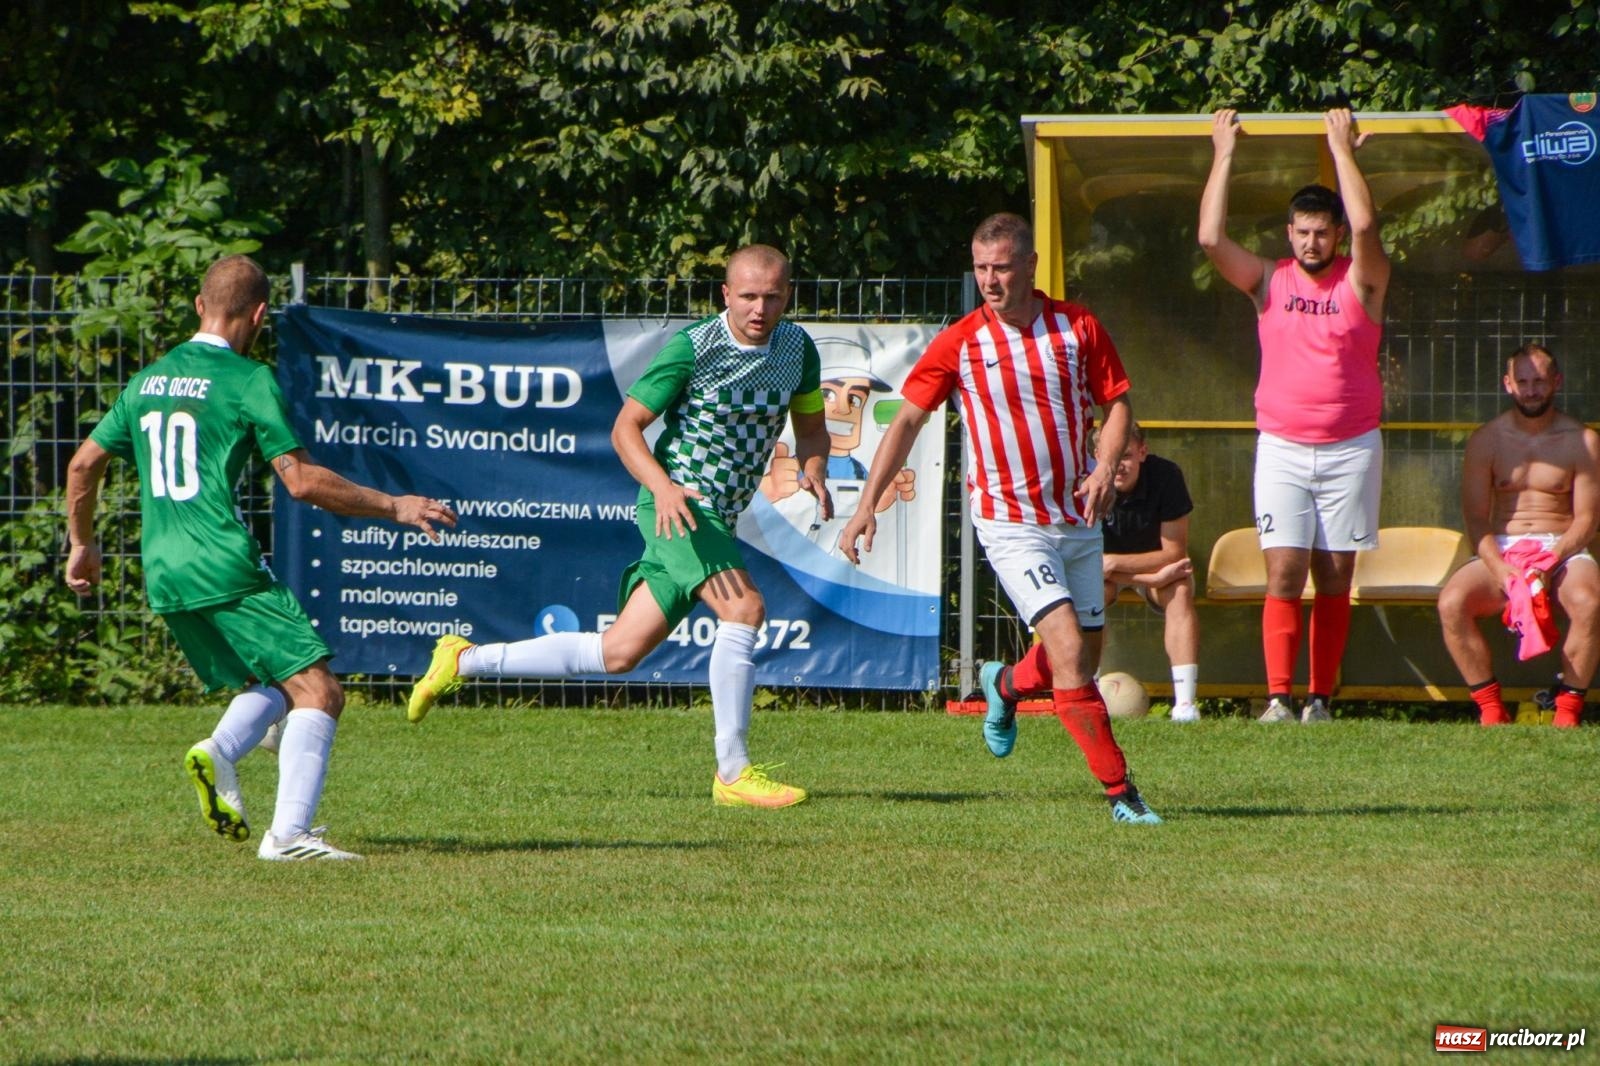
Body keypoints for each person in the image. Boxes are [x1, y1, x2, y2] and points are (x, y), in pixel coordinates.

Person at [405, 244, 831, 808]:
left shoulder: (797, 349)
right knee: (745, 609)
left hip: (717, 519)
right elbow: (625, 429)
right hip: (678, 508)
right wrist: (663, 487)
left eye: (772, 296)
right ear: (725, 294)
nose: (760, 308)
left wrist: (815, 468)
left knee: (618, 653)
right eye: (748, 296)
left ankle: (465, 659)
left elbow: (812, 430)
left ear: (787, 295)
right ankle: (732, 771)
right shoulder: (694, 348)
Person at [64, 254, 458, 861]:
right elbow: (300, 481)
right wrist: (393, 506)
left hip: (164, 570)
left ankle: (220, 751)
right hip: (223, 562)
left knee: (271, 682)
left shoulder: (148, 381)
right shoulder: (248, 381)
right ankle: (287, 834)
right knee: (320, 691)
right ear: (260, 314)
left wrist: (82, 543)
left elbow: (83, 464)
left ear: (199, 306)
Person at [838, 212, 1161, 825]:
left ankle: (1005, 684)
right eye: (981, 268)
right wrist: (865, 508)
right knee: (1066, 647)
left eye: (1002, 267)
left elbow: (1116, 404)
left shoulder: (1077, 326)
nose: (989, 280)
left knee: (1083, 659)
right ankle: (1122, 793)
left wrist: (1103, 467)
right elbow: (906, 420)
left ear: (1031, 266)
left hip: (1076, 516)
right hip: (1010, 522)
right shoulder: (962, 340)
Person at [1198, 107, 1392, 724]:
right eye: (1302, 232)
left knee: (1335, 577)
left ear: (1335, 234)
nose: (1313, 242)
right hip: (1282, 446)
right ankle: (1278, 698)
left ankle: (1320, 701)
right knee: (1283, 572)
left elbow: (1366, 223)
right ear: (1289, 233)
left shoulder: (1362, 281)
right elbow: (1209, 239)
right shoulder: (1268, 280)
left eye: (1322, 232)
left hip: (1352, 447)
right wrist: (1223, 151)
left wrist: (1342, 150)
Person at [1437, 343, 1599, 728]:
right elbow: (1476, 518)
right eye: (1522, 381)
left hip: (1562, 547)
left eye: (1539, 381)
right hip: (1503, 545)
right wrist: (1502, 570)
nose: (1531, 390)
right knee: (1452, 602)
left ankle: (1567, 712)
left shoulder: (1584, 441)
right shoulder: (1487, 440)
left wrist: (1550, 559)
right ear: (1507, 384)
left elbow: (1588, 519)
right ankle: (1491, 710)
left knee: (1589, 602)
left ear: (1556, 382)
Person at [1100, 422, 1201, 722]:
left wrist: (1117, 565)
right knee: (1087, 593)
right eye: (1111, 456)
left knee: (1180, 590)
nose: (1119, 466)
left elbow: (1174, 553)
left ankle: (1185, 705)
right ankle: (1084, 695)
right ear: (1097, 454)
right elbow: (1087, 564)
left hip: (1154, 569)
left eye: (1127, 455)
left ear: (1143, 452)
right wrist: (1149, 578)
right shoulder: (1086, 481)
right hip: (1114, 575)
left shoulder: (1167, 475)